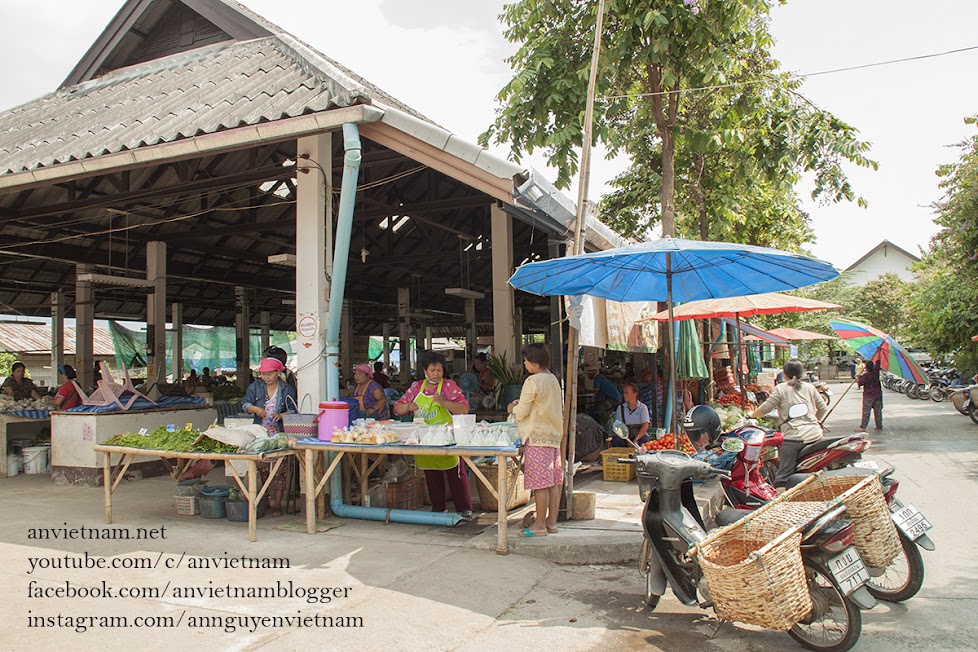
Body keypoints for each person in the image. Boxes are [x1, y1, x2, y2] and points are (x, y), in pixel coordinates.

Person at [393, 350, 473, 518]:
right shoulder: (416, 387)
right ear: (424, 371)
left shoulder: (448, 386)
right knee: (431, 473)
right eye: (432, 370)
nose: (436, 374)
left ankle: (464, 509)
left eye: (439, 370)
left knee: (456, 475)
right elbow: (398, 408)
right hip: (425, 440)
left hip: (448, 439)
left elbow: (464, 408)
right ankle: (438, 508)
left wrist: (444, 402)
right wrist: (408, 407)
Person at [508, 343, 564, 537]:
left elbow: (521, 412)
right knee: (553, 482)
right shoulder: (553, 380)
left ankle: (539, 525)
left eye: (526, 360)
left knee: (540, 484)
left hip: (537, 437)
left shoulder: (533, 381)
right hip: (553, 437)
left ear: (534, 361)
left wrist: (512, 408)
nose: (524, 364)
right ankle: (551, 522)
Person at [749, 359, 828, 489]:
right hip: (815, 436)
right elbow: (823, 408)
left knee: (783, 476)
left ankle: (780, 497)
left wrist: (752, 414)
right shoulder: (810, 388)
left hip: (794, 438)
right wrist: (815, 421)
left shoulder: (781, 389)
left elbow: (766, 408)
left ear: (784, 374)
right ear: (802, 374)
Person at [242, 357, 297, 516]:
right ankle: (265, 499)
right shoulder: (255, 387)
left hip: (279, 435)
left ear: (278, 373)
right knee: (263, 469)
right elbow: (245, 404)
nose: (265, 377)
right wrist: (255, 409)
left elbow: (294, 410)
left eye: (269, 374)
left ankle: (278, 504)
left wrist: (282, 415)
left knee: (280, 470)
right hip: (260, 434)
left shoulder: (286, 389)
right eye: (263, 374)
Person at [611, 383, 652, 447]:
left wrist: (636, 439)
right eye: (624, 393)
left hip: (639, 435)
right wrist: (628, 440)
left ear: (635, 394)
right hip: (625, 436)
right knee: (616, 441)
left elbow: (645, 425)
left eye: (627, 393)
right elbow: (619, 426)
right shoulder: (620, 408)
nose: (624, 395)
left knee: (645, 443)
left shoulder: (642, 407)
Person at [857, 359, 883, 431]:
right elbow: (878, 363)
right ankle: (879, 426)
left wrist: (859, 378)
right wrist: (878, 354)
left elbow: (860, 383)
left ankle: (863, 427)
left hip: (868, 395)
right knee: (878, 411)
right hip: (878, 395)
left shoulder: (866, 376)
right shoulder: (876, 373)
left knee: (866, 411)